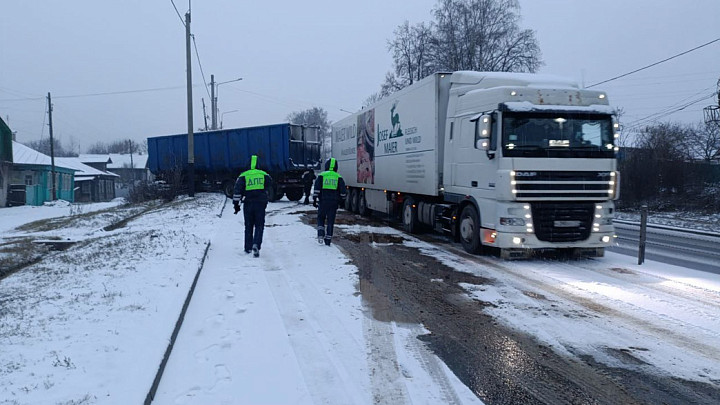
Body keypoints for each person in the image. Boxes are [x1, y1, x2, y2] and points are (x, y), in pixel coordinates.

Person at [233, 155, 272, 257]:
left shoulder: (243, 176)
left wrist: (236, 205)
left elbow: (237, 192)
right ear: (259, 164)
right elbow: (270, 185)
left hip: (248, 203)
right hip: (260, 203)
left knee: (248, 226)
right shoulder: (264, 175)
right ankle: (256, 244)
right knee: (259, 225)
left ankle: (247, 247)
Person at [313, 158, 346, 246]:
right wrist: (342, 201)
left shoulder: (321, 175)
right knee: (330, 221)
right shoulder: (339, 177)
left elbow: (317, 188)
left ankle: (320, 234)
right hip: (334, 203)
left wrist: (315, 199)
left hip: (323, 201)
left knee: (321, 218)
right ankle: (328, 240)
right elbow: (343, 192)